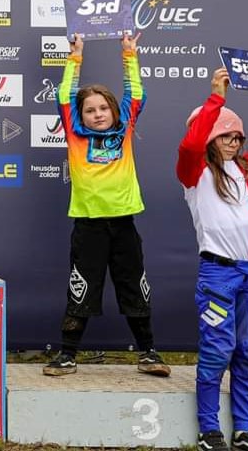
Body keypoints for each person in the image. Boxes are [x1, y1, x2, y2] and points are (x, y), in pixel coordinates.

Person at [177, 67, 248, 451]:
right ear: (211, 134)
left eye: (237, 135)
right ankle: (208, 428)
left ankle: (245, 429)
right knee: (216, 350)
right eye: (225, 134)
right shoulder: (194, 172)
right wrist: (216, 99)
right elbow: (191, 146)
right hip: (218, 273)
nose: (233, 140)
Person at [42, 33, 171, 379]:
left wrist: (129, 53)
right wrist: (75, 57)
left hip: (124, 223)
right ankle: (68, 354)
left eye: (103, 108)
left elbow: (137, 94)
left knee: (134, 286)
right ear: (80, 115)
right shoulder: (74, 132)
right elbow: (63, 96)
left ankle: (148, 352)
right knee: (81, 286)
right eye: (90, 110)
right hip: (88, 226)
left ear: (115, 112)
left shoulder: (125, 128)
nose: (97, 114)